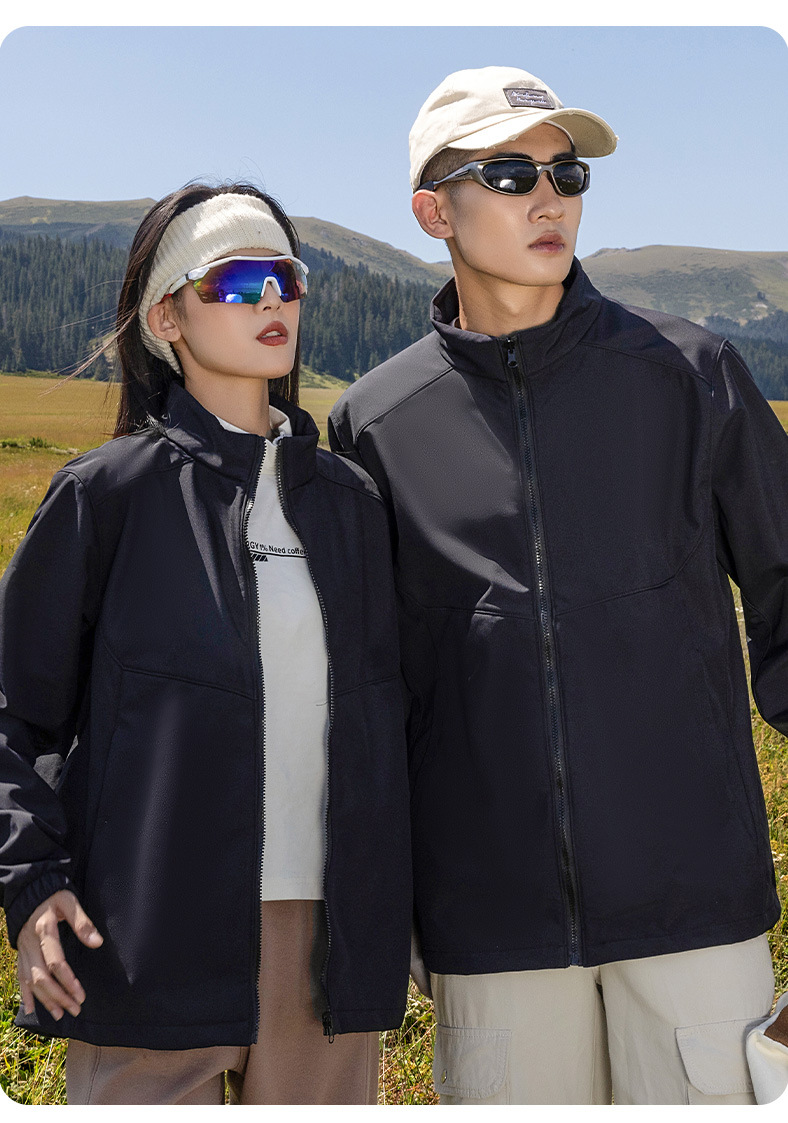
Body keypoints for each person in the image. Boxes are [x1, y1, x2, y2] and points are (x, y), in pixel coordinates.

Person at [328, 65, 788, 1105]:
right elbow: (366, 689)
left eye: (566, 173)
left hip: (694, 909)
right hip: (491, 928)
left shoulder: (691, 374)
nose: (550, 198)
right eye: (509, 173)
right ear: (433, 212)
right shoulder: (374, 424)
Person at [0, 182, 412, 1105]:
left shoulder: (352, 506)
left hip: (329, 950)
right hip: (144, 936)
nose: (272, 300)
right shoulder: (104, 495)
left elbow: (401, 724)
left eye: (286, 277)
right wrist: (28, 885)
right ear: (166, 319)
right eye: (233, 280)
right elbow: (11, 712)